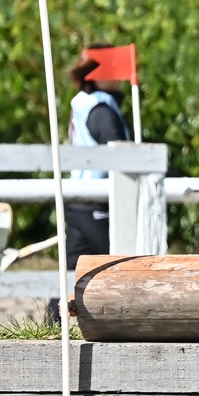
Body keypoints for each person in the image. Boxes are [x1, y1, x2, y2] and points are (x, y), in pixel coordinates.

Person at [65, 44, 133, 259]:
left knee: (74, 272)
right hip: (97, 202)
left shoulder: (82, 103)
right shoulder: (101, 110)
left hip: (79, 201)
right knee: (124, 264)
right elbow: (126, 158)